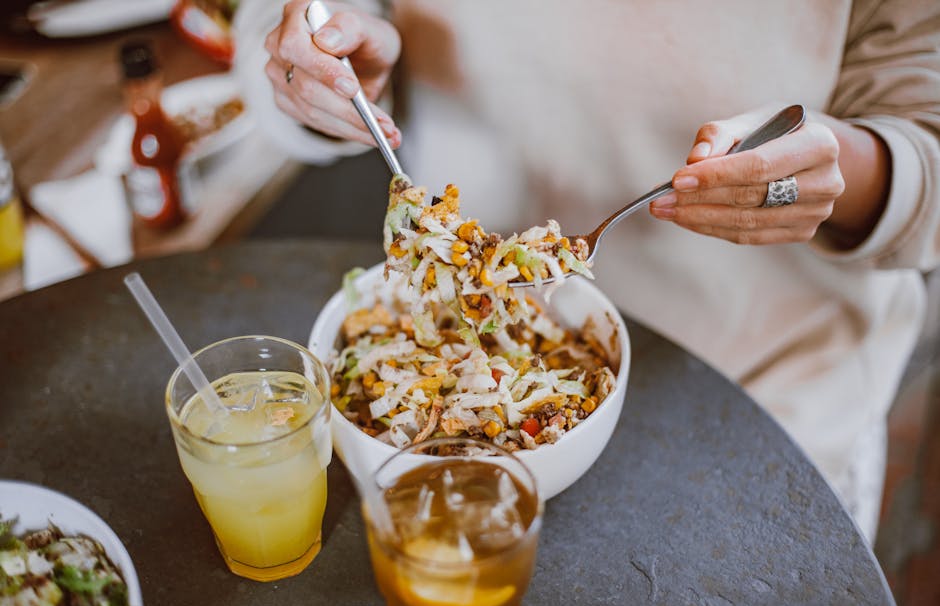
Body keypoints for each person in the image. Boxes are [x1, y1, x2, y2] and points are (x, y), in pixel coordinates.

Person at [234, 0, 940, 541]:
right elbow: (284, 20)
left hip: (768, 410)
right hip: (449, 311)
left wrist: (840, 168)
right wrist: (326, 64)